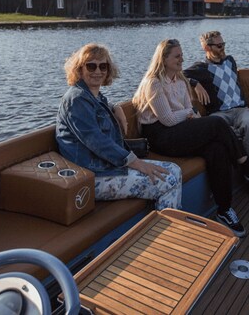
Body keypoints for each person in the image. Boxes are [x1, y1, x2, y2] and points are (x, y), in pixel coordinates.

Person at [133, 39, 249, 237]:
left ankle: (224, 209)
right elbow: (168, 119)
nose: (182, 59)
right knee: (217, 123)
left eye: (182, 55)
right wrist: (188, 113)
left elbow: (189, 112)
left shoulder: (181, 80)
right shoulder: (153, 82)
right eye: (177, 56)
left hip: (179, 129)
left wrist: (190, 114)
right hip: (159, 136)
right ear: (164, 59)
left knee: (217, 149)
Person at [56, 44, 182, 210]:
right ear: (79, 69)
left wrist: (116, 107)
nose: (97, 71)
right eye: (91, 66)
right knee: (168, 181)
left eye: (103, 66)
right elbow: (97, 141)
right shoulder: (76, 100)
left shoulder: (93, 96)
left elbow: (99, 108)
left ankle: (164, 225)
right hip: (93, 176)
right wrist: (135, 162)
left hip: (107, 166)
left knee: (175, 169)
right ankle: (169, 233)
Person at [185, 30, 249, 168]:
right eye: (219, 46)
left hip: (241, 109)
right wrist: (194, 83)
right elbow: (179, 74)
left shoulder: (230, 61)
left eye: (223, 44)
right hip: (219, 113)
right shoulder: (202, 68)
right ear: (207, 48)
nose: (223, 48)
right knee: (226, 133)